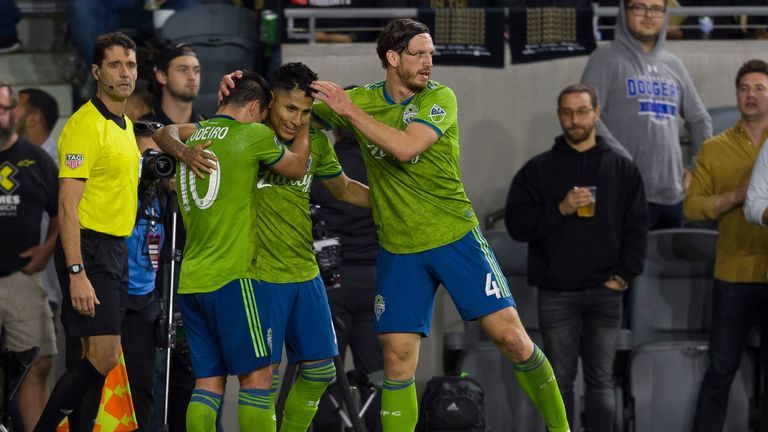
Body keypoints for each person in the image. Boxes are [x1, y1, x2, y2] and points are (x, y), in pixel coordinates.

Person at [222, 17, 569, 432]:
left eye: (431, 54)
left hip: (454, 237)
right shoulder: (363, 100)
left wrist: (348, 111)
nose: (428, 62)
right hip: (399, 251)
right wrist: (242, 91)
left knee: (513, 339)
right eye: (419, 53)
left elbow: (406, 148)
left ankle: (561, 428)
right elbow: (294, 103)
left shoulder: (439, 97)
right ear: (392, 57)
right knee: (396, 361)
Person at [152, 71, 311, 432]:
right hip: (234, 280)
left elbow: (163, 132)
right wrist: (305, 125)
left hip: (192, 282)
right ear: (256, 107)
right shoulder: (252, 135)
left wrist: (183, 153)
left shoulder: (201, 133)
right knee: (257, 379)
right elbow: (298, 167)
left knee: (207, 385)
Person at [505, 84, 648, 431]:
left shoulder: (622, 169)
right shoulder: (537, 170)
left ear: (597, 113)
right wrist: (561, 209)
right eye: (567, 112)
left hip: (606, 291)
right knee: (558, 381)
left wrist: (622, 277)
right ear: (559, 117)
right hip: (557, 293)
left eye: (582, 111)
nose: (575, 119)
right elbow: (517, 225)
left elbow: (638, 229)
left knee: (602, 381)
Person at [34, 31, 141, 432]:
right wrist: (77, 272)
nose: (125, 72)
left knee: (94, 357)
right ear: (97, 71)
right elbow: (67, 204)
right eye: (115, 65)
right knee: (104, 356)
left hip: (115, 248)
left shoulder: (126, 124)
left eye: (130, 64)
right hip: (90, 249)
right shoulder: (84, 125)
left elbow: (162, 133)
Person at [254, 63, 369, 431]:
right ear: (270, 101)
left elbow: (345, 188)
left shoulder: (315, 141)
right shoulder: (249, 136)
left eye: (306, 112)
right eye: (290, 109)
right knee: (264, 377)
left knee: (319, 370)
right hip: (259, 273)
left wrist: (398, 199)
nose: (297, 120)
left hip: (305, 271)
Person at [580, 0, 712, 230]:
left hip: (673, 197)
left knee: (669, 267)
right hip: (625, 194)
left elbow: (701, 120)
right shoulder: (605, 58)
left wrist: (694, 168)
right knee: (625, 267)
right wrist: (625, 162)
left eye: (656, 8)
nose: (649, 15)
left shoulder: (674, 64)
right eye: (639, 7)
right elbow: (587, 116)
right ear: (624, 11)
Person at [691, 59, 768, 432]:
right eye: (744, 88)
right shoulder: (714, 149)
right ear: (736, 93)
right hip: (734, 273)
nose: (751, 95)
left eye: (760, 88)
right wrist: (735, 197)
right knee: (720, 370)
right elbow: (692, 207)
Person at [141, 43, 202, 432]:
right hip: (155, 263)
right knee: (157, 366)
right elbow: (170, 185)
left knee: (195, 367)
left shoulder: (209, 125)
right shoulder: (144, 126)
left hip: (199, 258)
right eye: (182, 69)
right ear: (161, 75)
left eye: (196, 69)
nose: (193, 76)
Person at [310, 123, 383, 432]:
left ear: (335, 131)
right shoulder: (381, 167)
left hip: (331, 284)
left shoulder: (322, 167)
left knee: (324, 374)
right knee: (378, 374)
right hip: (377, 281)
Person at [0, 82, 59, 432]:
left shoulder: (36, 158)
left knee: (38, 363)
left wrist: (48, 246)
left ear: (14, 114)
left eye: (4, 108)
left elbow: (60, 213)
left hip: (22, 279)